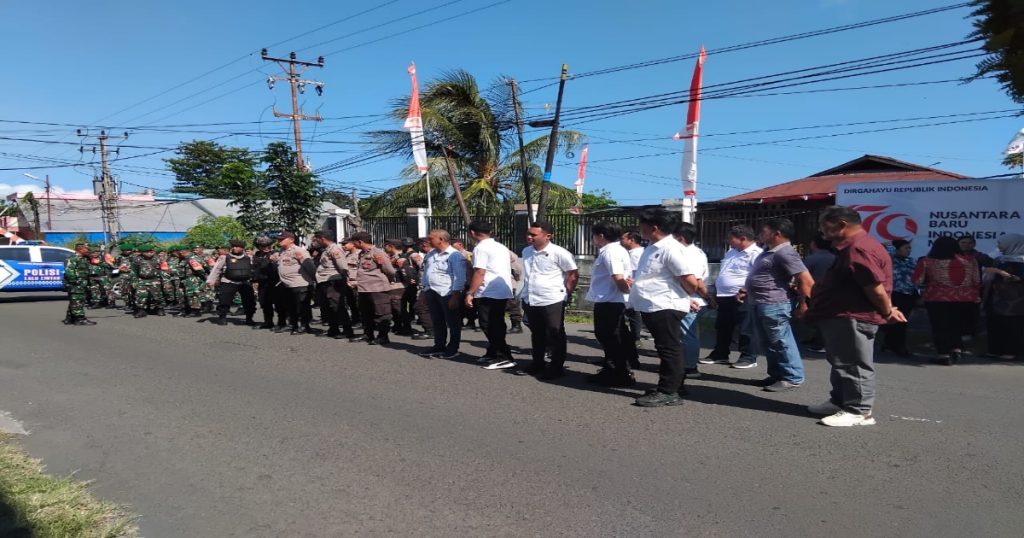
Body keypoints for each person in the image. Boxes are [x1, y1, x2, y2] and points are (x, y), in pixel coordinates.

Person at [805, 206, 906, 427]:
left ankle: (859, 410)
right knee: (841, 361)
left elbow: (874, 287)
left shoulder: (858, 248)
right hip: (840, 314)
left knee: (854, 363)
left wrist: (888, 311)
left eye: (824, 225)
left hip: (853, 315)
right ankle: (840, 401)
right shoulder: (850, 247)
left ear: (841, 224)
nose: (822, 231)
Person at [629, 209, 699, 407]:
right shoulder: (652, 246)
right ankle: (670, 386)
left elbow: (690, 281)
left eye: (642, 225)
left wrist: (685, 297)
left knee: (669, 349)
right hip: (652, 304)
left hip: (665, 304)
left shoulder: (671, 248)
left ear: (654, 228)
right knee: (665, 348)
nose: (639, 229)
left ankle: (669, 391)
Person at [741, 218, 814, 392]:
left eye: (764, 230)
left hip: (775, 304)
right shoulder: (769, 252)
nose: (761, 234)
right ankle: (777, 375)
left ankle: (792, 377)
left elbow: (805, 280)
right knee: (769, 342)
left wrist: (804, 305)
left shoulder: (785, 253)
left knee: (781, 341)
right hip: (761, 302)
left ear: (777, 234)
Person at [518, 221, 579, 380]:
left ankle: (556, 367)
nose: (529, 237)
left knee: (555, 333)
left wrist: (566, 293)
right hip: (531, 298)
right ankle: (537, 363)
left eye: (533, 234)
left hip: (552, 298)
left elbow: (572, 273)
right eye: (528, 233)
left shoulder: (559, 252)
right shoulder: (526, 251)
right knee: (537, 333)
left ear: (548, 236)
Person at [912, 236, 981, 365]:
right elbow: (976, 281)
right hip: (965, 298)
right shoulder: (971, 260)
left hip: (937, 298)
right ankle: (956, 349)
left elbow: (917, 281)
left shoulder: (927, 262)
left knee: (940, 326)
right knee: (957, 325)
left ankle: (943, 354)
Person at [586, 220, 638, 387]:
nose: (593, 239)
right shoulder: (615, 250)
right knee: (612, 336)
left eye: (594, 235)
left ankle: (619, 371)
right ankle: (614, 369)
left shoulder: (610, 252)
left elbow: (618, 277)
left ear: (601, 236)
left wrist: (626, 293)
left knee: (609, 336)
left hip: (610, 300)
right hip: (609, 299)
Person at [701, 225, 762, 368]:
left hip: (743, 296)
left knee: (746, 327)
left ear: (743, 238)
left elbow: (758, 275)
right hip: (724, 295)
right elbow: (724, 272)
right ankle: (720, 354)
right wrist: (717, 288)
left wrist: (745, 290)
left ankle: (748, 357)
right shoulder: (731, 252)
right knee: (723, 326)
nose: (728, 241)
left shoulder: (756, 254)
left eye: (731, 238)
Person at [464, 221, 516, 369]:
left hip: (488, 291)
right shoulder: (500, 246)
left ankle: (504, 356)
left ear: (472, 233)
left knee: (489, 324)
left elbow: (480, 272)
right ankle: (493, 351)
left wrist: (470, 292)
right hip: (500, 290)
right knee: (496, 323)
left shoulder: (481, 248)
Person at [673, 222, 715, 378]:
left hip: (691, 299)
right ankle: (684, 364)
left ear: (680, 238)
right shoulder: (693, 252)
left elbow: (696, 282)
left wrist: (706, 297)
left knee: (687, 333)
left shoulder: (690, 254)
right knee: (683, 334)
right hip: (687, 298)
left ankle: (690, 366)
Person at [418, 229, 467, 359]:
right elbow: (426, 273)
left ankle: (453, 348)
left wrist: (455, 296)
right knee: (437, 320)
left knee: (453, 322)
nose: (428, 241)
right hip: (431, 291)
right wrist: (424, 291)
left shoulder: (454, 255)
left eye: (431, 238)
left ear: (441, 239)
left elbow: (459, 277)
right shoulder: (431, 254)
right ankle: (439, 345)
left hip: (447, 292)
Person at [351, 232, 397, 345]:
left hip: (378, 289)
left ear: (360, 242)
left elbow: (390, 271)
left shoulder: (378, 253)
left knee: (382, 313)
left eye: (354, 242)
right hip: (363, 288)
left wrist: (386, 282)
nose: (353, 244)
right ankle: (368, 334)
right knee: (366, 313)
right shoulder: (361, 254)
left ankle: (383, 336)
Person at [984, 233, 1024, 359]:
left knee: (1012, 326)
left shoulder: (1022, 260)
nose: (999, 246)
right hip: (997, 298)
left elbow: (1018, 279)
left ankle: (1011, 352)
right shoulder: (1000, 259)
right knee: (995, 325)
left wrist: (998, 271)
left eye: (1000, 243)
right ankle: (995, 350)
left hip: (1015, 301)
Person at [312, 231, 355, 340]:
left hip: (334, 281)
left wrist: (346, 280)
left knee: (337, 306)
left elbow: (343, 267)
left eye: (316, 239)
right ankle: (333, 329)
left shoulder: (335, 249)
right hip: (325, 281)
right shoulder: (327, 249)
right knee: (328, 306)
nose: (315, 241)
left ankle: (347, 330)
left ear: (322, 238)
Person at [206, 239, 257, 326]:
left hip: (244, 282)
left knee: (249, 301)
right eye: (233, 246)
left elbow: (255, 269)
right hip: (228, 281)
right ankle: (222, 317)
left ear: (242, 248)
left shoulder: (249, 258)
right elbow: (216, 269)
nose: (234, 248)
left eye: (237, 247)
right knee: (224, 301)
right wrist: (211, 280)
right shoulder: (224, 258)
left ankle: (249, 318)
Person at [881, 239, 918, 357]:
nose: (909, 250)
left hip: (909, 294)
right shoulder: (890, 260)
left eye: (910, 248)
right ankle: (890, 344)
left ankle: (897, 345)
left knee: (903, 321)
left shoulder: (912, 261)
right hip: (895, 293)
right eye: (906, 248)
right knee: (893, 320)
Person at [799, 235, 836, 353]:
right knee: (826, 317)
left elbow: (802, 278)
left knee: (819, 318)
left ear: (814, 244)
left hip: (815, 291)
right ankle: (818, 339)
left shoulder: (811, 259)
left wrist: (802, 300)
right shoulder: (836, 258)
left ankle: (821, 343)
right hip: (832, 292)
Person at [274, 231, 314, 335]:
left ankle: (304, 325)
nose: (279, 241)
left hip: (300, 283)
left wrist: (315, 279)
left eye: (282, 239)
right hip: (286, 284)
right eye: (278, 239)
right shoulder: (282, 251)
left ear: (291, 240)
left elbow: (309, 265)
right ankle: (294, 325)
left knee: (302, 307)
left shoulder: (298, 251)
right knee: (290, 306)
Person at [620, 229, 646, 347]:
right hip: (630, 287)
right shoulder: (632, 253)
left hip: (632, 287)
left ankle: (635, 337)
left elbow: (638, 272)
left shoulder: (636, 254)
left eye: (623, 239)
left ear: (632, 240)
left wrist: (634, 282)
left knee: (633, 312)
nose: (621, 241)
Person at [62, 242, 96, 325]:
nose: (88, 250)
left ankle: (69, 318)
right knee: (78, 301)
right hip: (76, 284)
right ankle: (80, 319)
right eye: (86, 249)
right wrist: (76, 281)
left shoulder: (83, 258)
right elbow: (69, 272)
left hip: (81, 283)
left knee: (75, 301)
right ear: (80, 249)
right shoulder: (73, 258)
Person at [252, 236, 282, 328]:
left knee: (279, 303)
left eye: (268, 245)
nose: (266, 247)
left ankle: (281, 322)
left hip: (275, 282)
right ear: (259, 246)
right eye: (263, 245)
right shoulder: (256, 256)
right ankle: (268, 321)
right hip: (262, 282)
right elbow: (255, 269)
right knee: (264, 302)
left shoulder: (276, 254)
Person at [132, 243, 166, 318]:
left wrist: (165, 281)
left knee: (157, 295)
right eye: (147, 252)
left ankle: (160, 308)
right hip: (142, 280)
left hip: (155, 279)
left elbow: (164, 270)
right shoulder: (137, 259)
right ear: (142, 252)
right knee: (140, 296)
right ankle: (141, 310)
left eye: (151, 251)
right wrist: (134, 281)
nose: (150, 253)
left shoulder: (158, 259)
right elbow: (134, 270)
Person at [341, 238, 362, 327]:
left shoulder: (360, 255)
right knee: (351, 303)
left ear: (353, 244)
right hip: (347, 282)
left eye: (345, 244)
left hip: (356, 283)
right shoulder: (346, 255)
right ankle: (355, 319)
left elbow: (362, 270)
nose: (343, 246)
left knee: (358, 303)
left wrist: (357, 282)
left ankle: (361, 321)